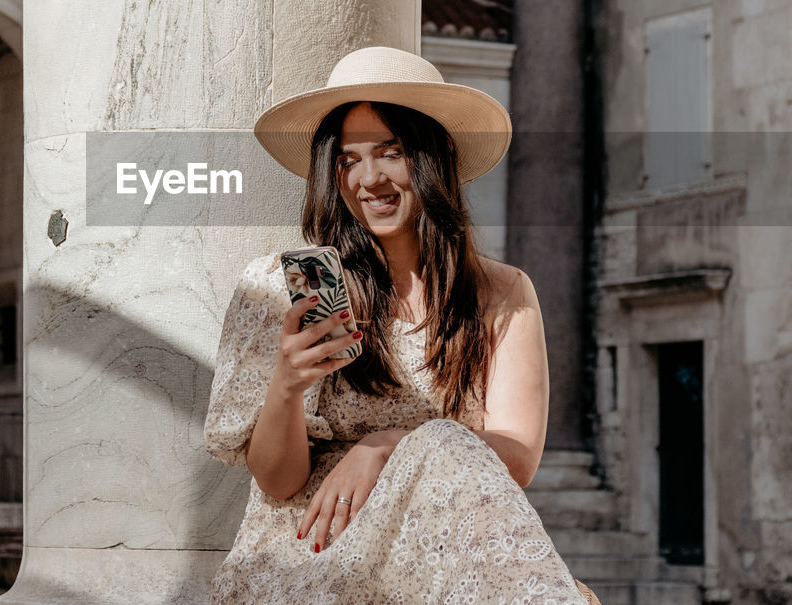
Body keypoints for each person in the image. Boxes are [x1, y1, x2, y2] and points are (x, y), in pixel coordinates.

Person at [204, 47, 598, 604]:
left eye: (391, 153)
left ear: (439, 156)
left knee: (444, 443)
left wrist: (390, 445)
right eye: (347, 160)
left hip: (438, 543)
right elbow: (278, 481)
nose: (368, 178)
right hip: (316, 548)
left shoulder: (502, 293)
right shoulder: (278, 287)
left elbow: (517, 456)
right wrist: (287, 386)